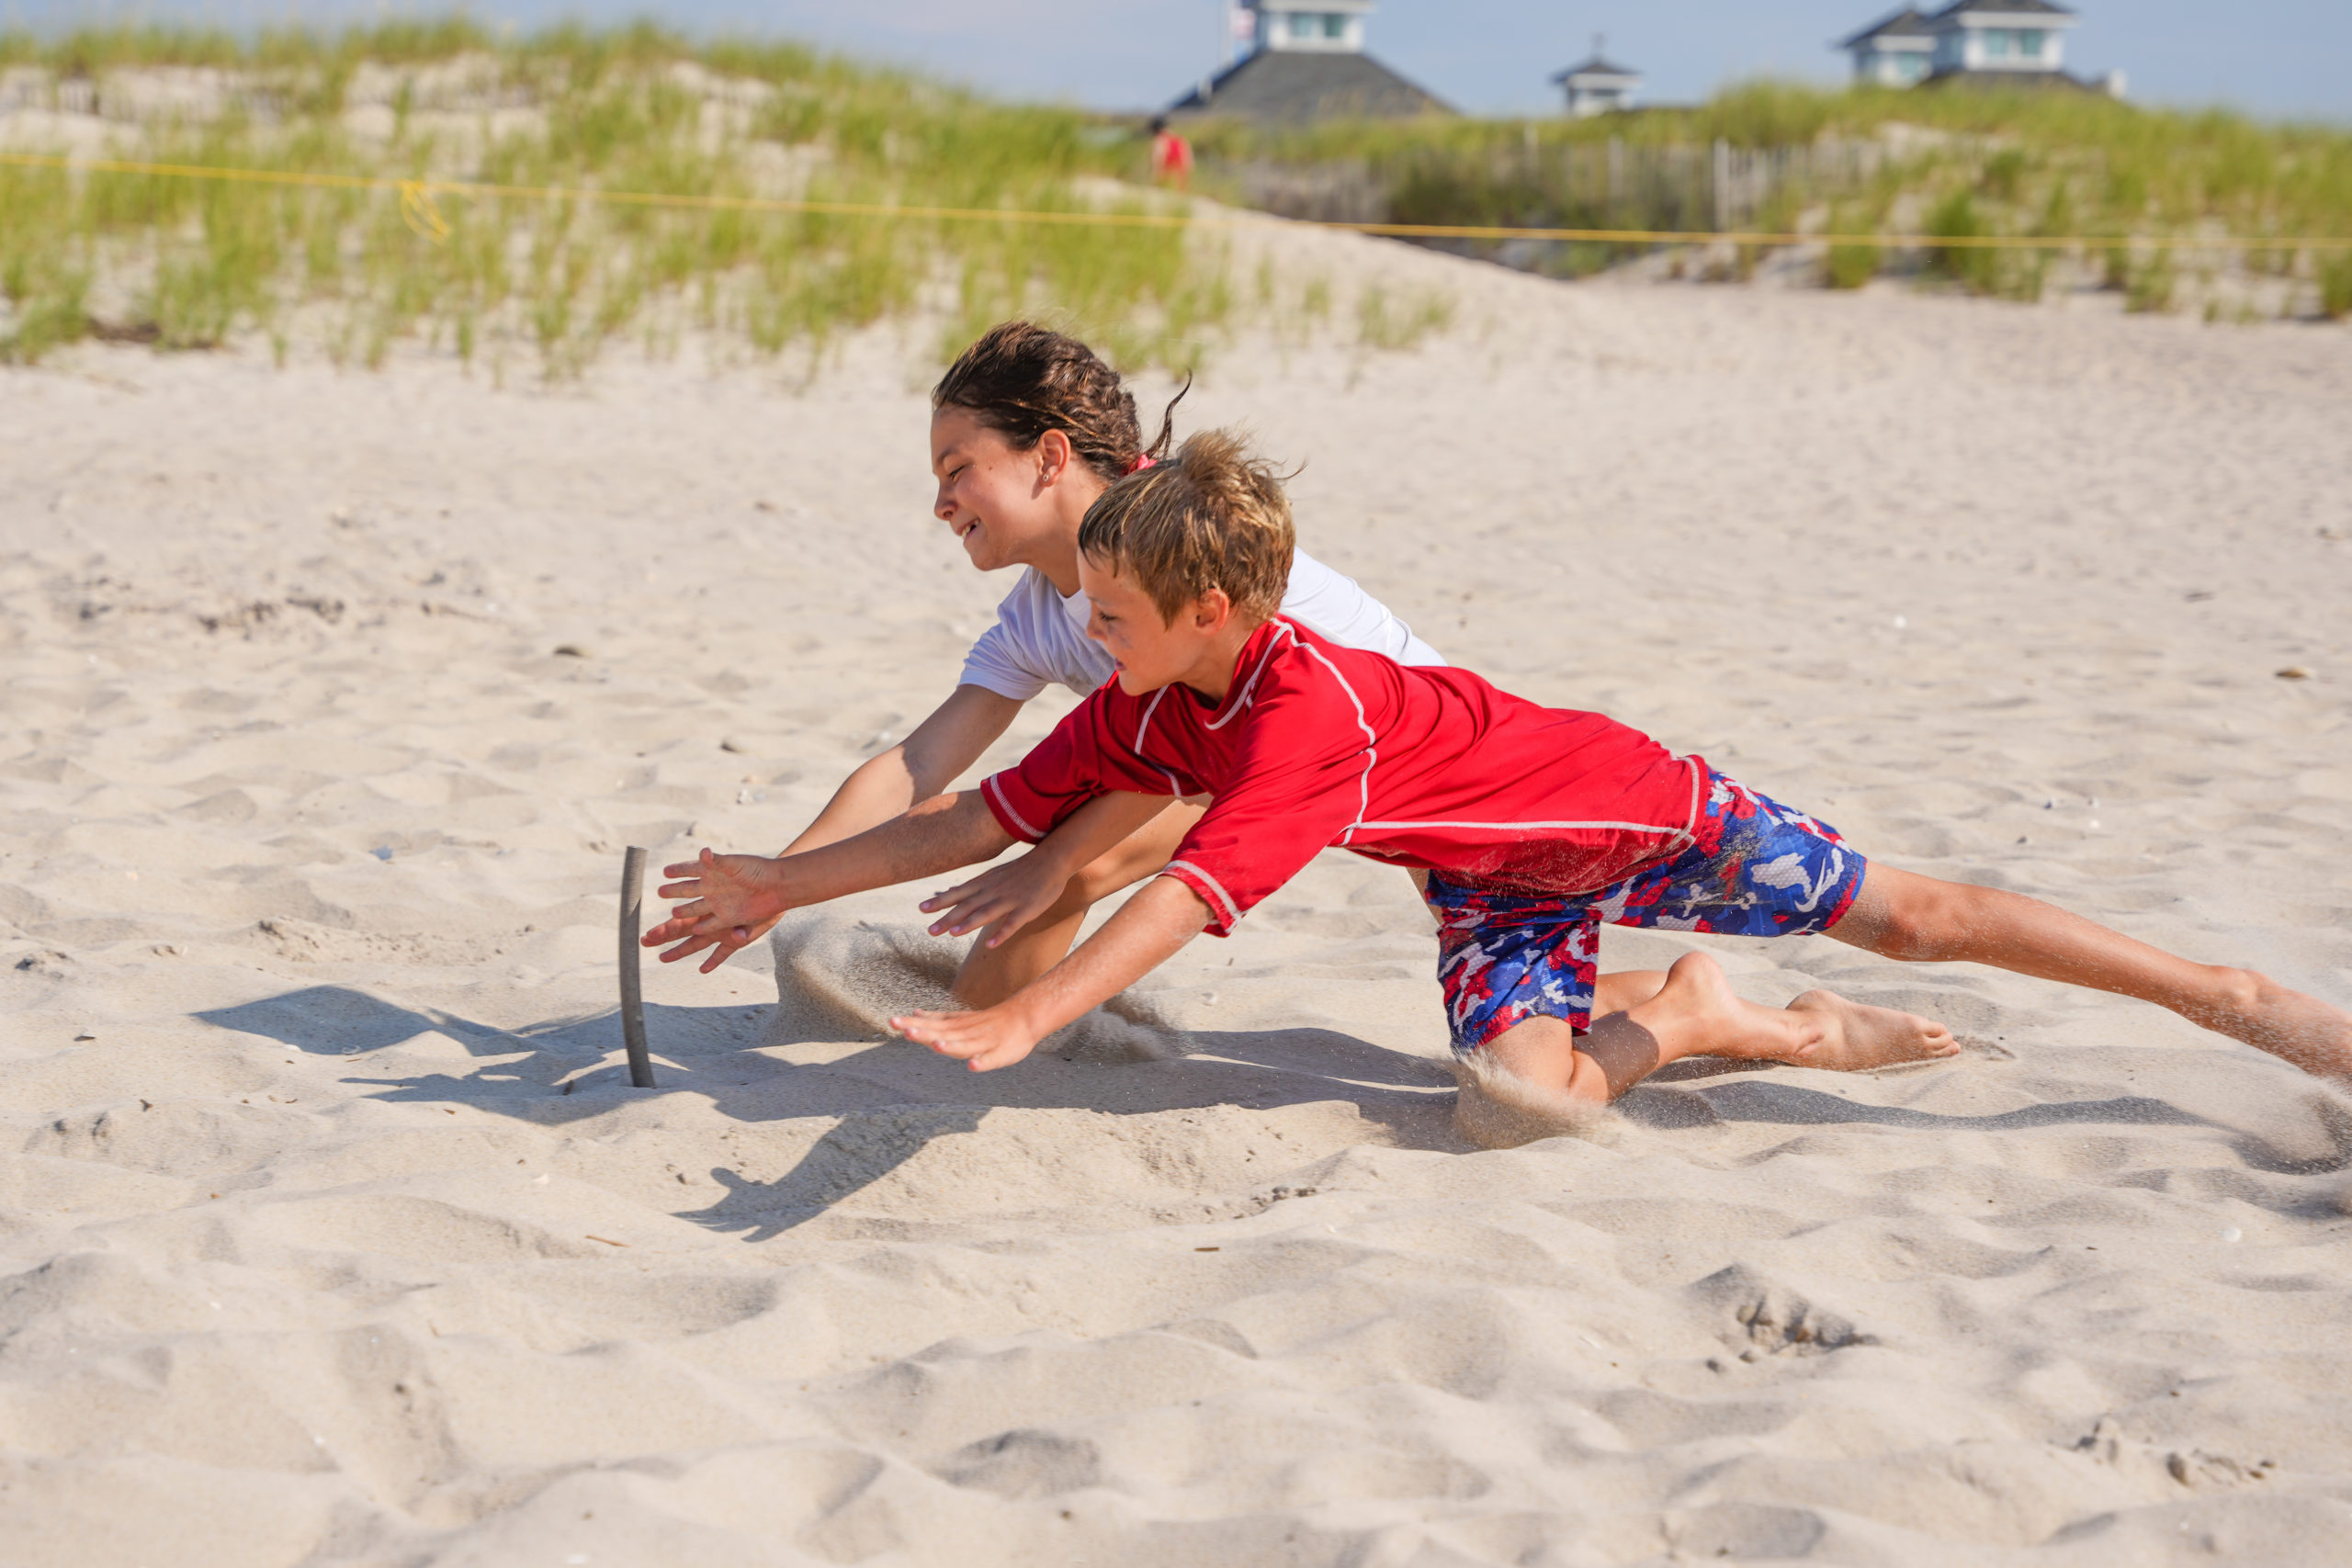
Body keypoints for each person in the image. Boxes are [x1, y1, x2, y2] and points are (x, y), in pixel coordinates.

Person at [644, 430, 2352, 1133]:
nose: (1082, 635)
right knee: (1525, 1102)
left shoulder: (1307, 714)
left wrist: (1026, 1022)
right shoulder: (1152, 707)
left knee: (1923, 915)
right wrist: (775, 885)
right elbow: (973, 811)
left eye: (1109, 611)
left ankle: (2234, 997)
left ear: (1213, 612)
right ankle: (1696, 1014)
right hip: (1496, 885)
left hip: (1633, 809)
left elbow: (1180, 896)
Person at [654, 321, 1447, 1011]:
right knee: (1053, 862)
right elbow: (917, 761)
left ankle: (971, 1044)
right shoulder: (1037, 610)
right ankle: (960, 1052)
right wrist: (772, 879)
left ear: (1049, 456)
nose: (940, 502)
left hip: (1422, 753)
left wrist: (794, 883)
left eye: (957, 468)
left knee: (1064, 857)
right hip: (1232, 763)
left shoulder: (1168, 545)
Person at [1149, 116, 1193, 191]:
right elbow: (1188, 162)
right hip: (1179, 181)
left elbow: (1158, 159)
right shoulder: (1181, 140)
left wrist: (1156, 179)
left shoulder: (1160, 140)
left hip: (1166, 180)